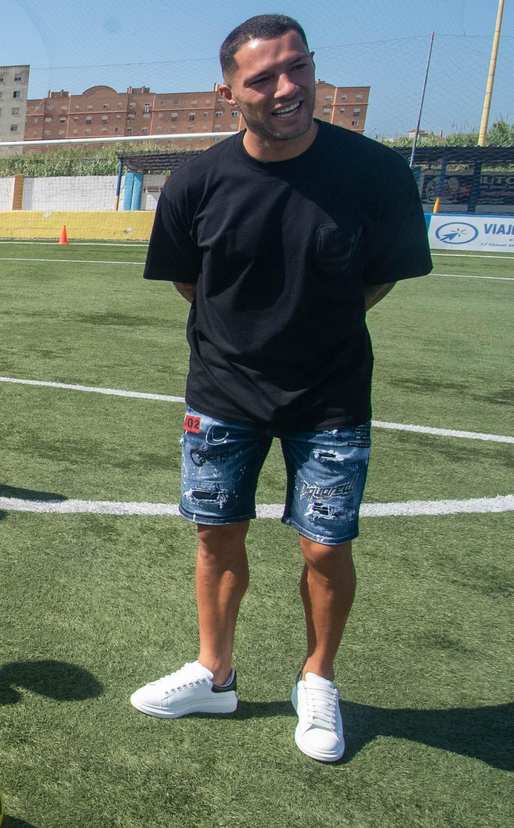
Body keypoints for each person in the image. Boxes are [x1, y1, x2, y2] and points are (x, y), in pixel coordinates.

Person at [132, 14, 432, 764]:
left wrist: (309, 332)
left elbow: (381, 275)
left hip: (330, 397)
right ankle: (214, 670)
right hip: (221, 395)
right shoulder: (197, 181)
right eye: (263, 77)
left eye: (298, 67)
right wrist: (245, 344)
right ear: (229, 90)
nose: (287, 87)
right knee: (215, 536)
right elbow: (187, 280)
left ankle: (317, 679)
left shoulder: (375, 173)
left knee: (325, 546)